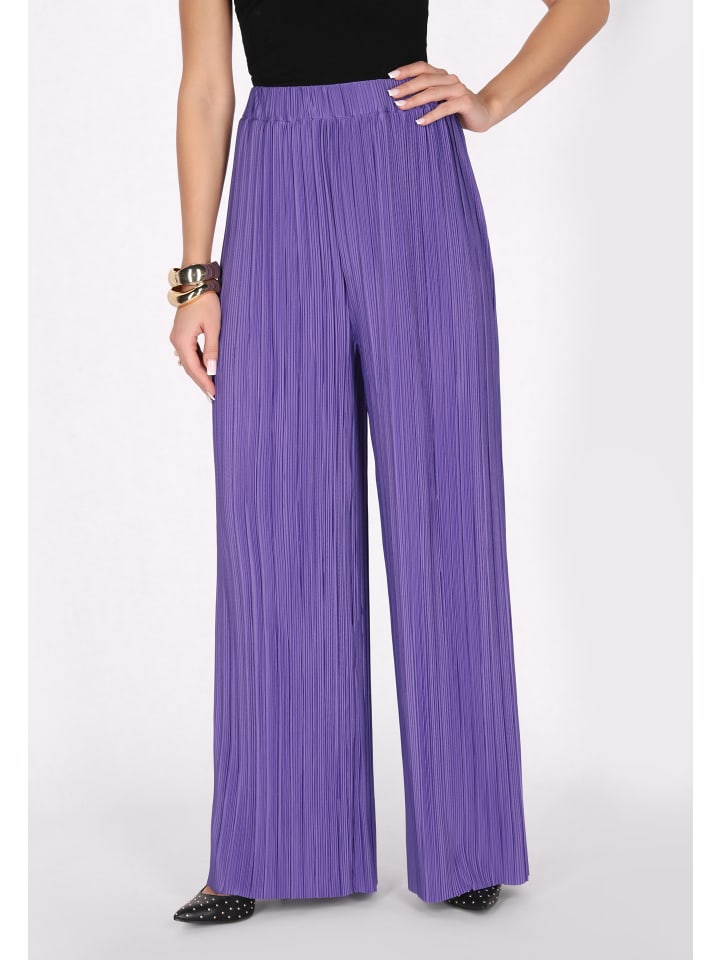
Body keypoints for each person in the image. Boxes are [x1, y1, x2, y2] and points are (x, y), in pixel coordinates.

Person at [169, 0, 610, 924]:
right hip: (276, 182)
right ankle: (271, 845)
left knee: (445, 506)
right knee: (276, 519)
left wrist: (490, 100)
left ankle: (468, 842)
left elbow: (586, 4)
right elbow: (208, 85)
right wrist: (196, 279)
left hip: (410, 171)